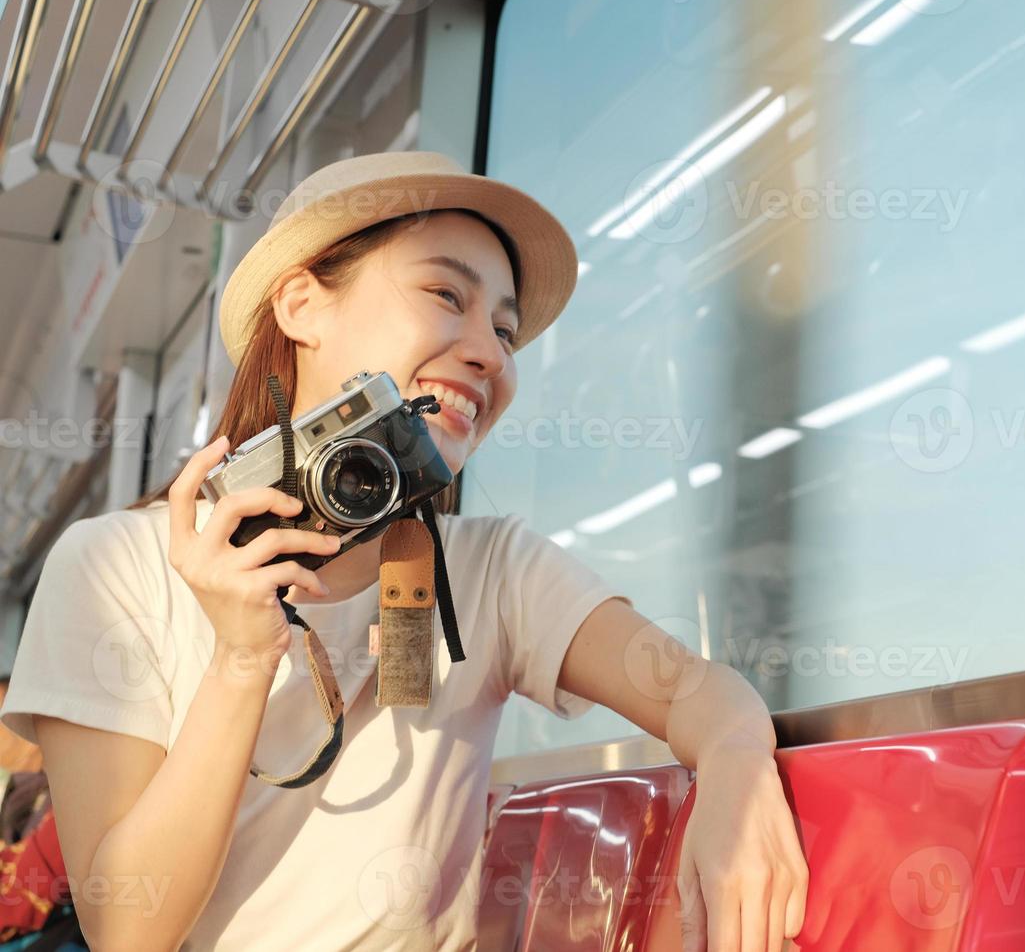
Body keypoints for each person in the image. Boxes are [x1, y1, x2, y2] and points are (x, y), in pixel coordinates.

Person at [0, 151, 807, 951]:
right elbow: (127, 931)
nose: (489, 353)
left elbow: (696, 691)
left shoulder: (494, 573)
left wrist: (736, 764)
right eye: (445, 295)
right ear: (301, 305)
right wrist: (243, 661)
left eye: (504, 329)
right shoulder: (114, 568)